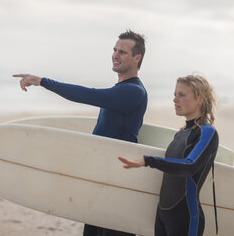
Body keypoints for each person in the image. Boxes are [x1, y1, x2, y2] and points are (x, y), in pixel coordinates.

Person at [13, 30, 147, 236]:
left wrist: (42, 81)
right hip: (102, 178)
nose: (115, 55)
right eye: (114, 50)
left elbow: (87, 94)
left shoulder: (132, 92)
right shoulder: (122, 90)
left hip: (117, 184)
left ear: (137, 58)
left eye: (122, 52)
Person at [119, 74, 218, 236]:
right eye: (174, 95)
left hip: (185, 218)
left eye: (181, 95)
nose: (175, 100)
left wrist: (148, 161)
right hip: (163, 214)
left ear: (200, 99)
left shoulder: (207, 133)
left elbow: (189, 166)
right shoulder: (181, 134)